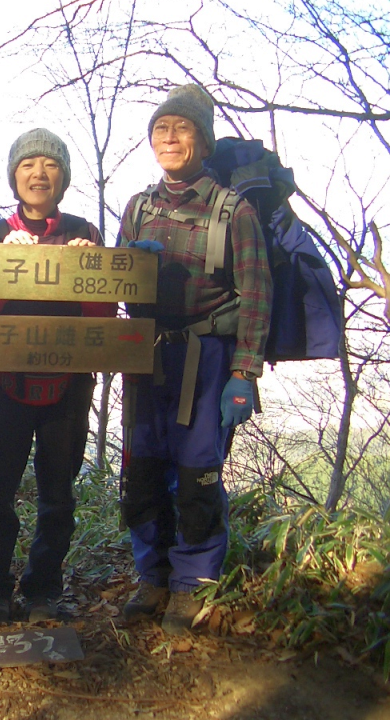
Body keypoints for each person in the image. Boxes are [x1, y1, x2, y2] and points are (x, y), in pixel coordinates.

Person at [118, 85, 272, 633]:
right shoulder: (138, 207)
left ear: (203, 142)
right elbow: (120, 287)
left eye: (182, 129)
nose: (170, 138)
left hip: (207, 359)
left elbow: (256, 292)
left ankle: (190, 584)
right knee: (141, 472)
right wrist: (129, 267)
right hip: (146, 355)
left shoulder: (235, 211)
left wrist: (244, 372)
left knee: (196, 474)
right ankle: (152, 577)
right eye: (162, 130)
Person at [0, 129, 113, 624]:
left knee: (59, 493)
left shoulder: (84, 232)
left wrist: (81, 268)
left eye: (50, 166)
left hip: (68, 387)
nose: (39, 174)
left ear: (63, 178)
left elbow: (102, 317)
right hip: (1, 384)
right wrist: (6, 264)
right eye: (28, 165)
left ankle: (43, 590)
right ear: (14, 176)